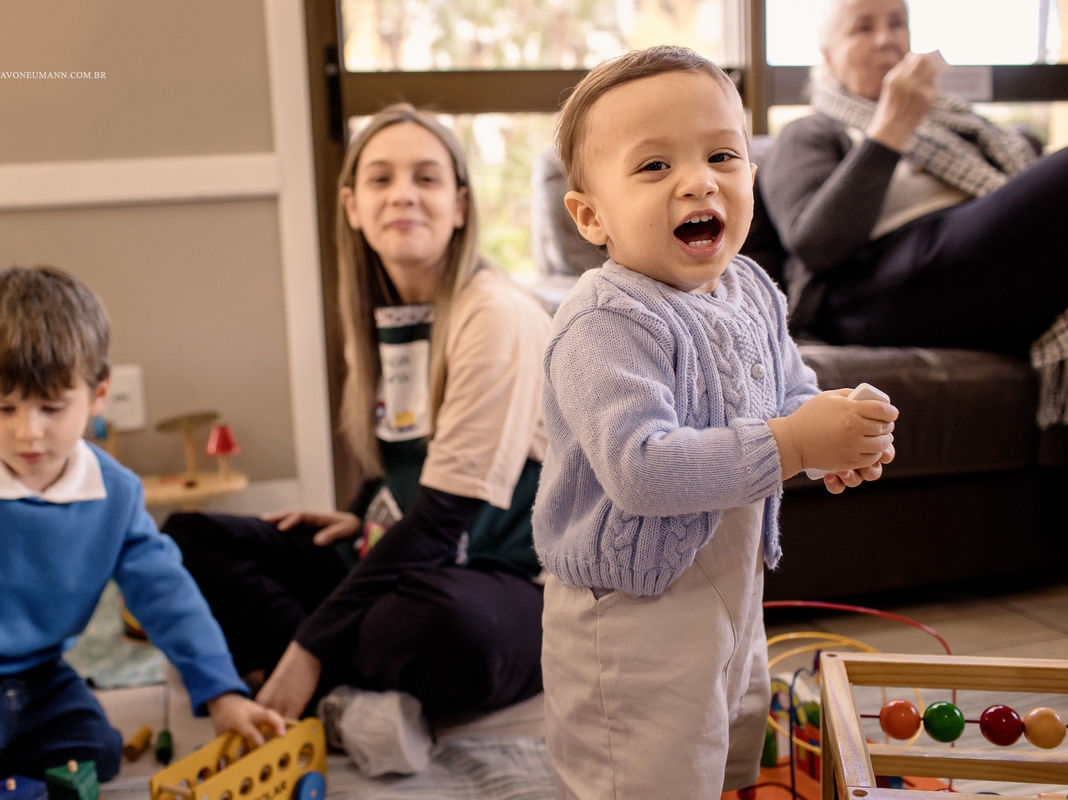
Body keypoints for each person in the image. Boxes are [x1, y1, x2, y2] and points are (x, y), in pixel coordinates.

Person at [532, 45, 899, 799]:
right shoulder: (602, 322)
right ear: (590, 215)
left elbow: (789, 390)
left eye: (722, 155)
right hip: (631, 616)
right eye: (654, 166)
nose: (700, 180)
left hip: (732, 586)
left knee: (725, 742)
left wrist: (833, 429)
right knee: (646, 770)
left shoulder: (749, 289)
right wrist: (793, 444)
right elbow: (642, 468)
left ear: (751, 177)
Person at [163, 104, 551, 762]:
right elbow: (409, 452)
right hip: (425, 546)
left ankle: (308, 677)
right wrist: (363, 514)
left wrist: (308, 648)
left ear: (460, 205)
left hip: (513, 579)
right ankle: (346, 694)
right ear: (352, 205)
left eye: (426, 179)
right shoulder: (386, 316)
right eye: (381, 179)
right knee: (188, 541)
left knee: (440, 625)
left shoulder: (495, 316)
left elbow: (444, 518)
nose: (403, 193)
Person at [0, 266, 284, 800]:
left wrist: (223, 693)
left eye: (52, 407)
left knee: (96, 755)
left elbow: (165, 594)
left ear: (98, 394)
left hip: (39, 676)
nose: (29, 431)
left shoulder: (116, 493)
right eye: (4, 407)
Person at [762, 0, 1068, 359]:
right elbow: (815, 245)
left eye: (897, 24)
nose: (885, 39)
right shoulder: (810, 131)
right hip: (874, 286)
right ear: (828, 57)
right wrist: (891, 129)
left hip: (979, 259)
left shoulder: (953, 121)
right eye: (863, 28)